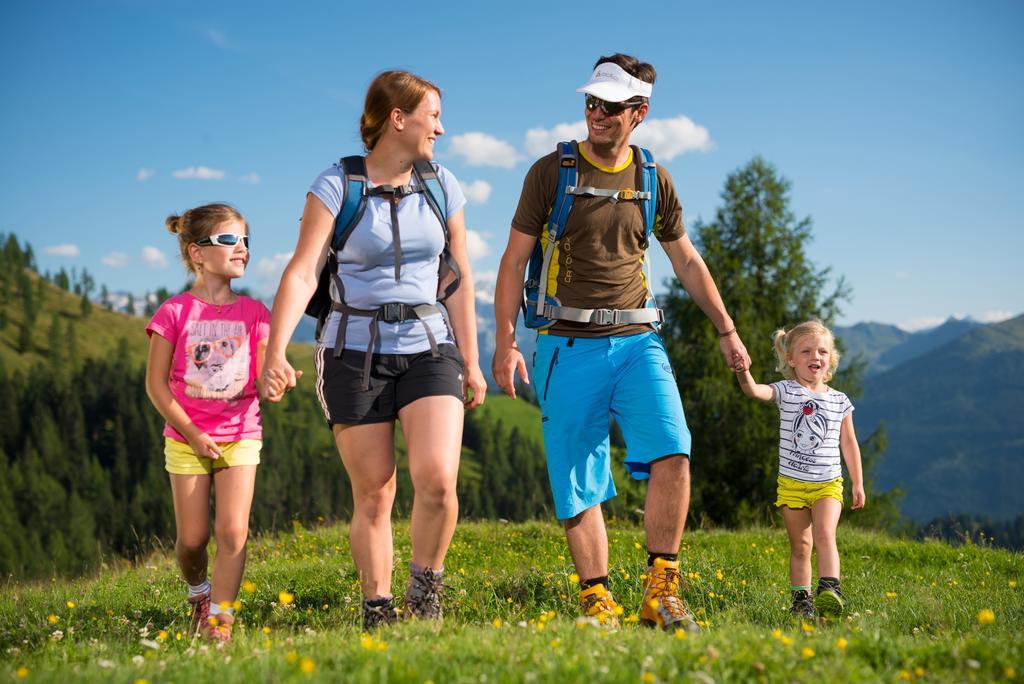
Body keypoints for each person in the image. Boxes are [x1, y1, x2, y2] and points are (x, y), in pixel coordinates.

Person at [492, 54, 750, 631]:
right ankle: (596, 598)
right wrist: (506, 340)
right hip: (565, 342)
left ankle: (661, 591)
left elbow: (685, 258)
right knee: (578, 473)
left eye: (611, 106)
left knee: (674, 450)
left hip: (639, 338)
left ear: (640, 113)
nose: (597, 114)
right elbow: (512, 264)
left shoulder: (653, 179)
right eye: (591, 103)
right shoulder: (549, 172)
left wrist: (727, 330)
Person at [261, 70, 486, 629]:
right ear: (398, 118)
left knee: (437, 480)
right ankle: (378, 608)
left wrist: (473, 361)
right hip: (350, 352)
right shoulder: (335, 185)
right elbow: (302, 271)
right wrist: (276, 350)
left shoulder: (443, 185)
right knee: (376, 493)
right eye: (433, 114)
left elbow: (458, 275)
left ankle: (425, 591)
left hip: (430, 346)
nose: (441, 126)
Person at [145, 203, 273, 643]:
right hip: (186, 438)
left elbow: (265, 370)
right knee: (194, 539)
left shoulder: (256, 313)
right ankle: (198, 591)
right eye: (228, 240)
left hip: (241, 434)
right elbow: (156, 386)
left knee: (234, 531)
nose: (241, 249)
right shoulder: (174, 313)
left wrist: (279, 379)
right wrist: (194, 434)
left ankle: (219, 624)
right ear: (196, 253)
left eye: (245, 241)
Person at [732, 320, 865, 617]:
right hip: (791, 485)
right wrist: (743, 372)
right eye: (805, 351)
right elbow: (754, 391)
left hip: (828, 484)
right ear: (791, 359)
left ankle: (830, 591)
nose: (814, 357)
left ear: (830, 358)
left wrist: (857, 482)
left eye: (821, 351)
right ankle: (801, 603)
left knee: (824, 535)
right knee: (801, 546)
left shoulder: (840, 401)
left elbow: (849, 443)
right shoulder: (787, 391)